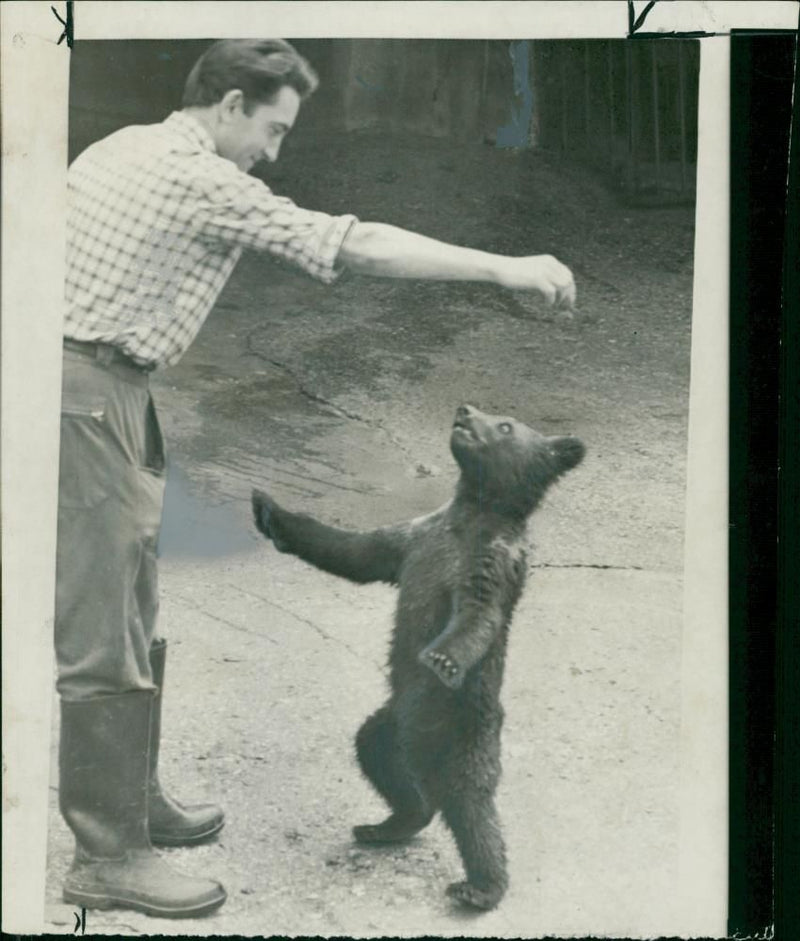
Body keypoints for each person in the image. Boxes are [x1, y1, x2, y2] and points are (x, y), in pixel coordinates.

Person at [55, 38, 576, 920]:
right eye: (273, 127)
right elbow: (350, 245)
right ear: (228, 107)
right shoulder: (201, 178)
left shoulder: (120, 148)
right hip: (86, 392)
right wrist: (499, 265)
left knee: (135, 602)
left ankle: (131, 799)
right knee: (105, 622)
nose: (276, 149)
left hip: (109, 385)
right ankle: (107, 856)